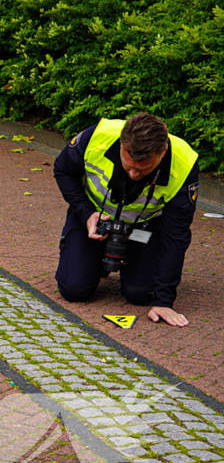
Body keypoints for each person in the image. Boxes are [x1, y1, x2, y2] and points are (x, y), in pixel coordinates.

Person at [53, 113, 199, 328]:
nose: (133, 173)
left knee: (140, 294)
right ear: (121, 145)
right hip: (94, 218)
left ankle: (128, 258)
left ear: (162, 153)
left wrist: (163, 300)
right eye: (127, 164)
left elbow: (176, 236)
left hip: (145, 227)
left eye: (143, 169)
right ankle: (95, 257)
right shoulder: (96, 137)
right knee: (74, 290)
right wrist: (86, 213)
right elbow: (63, 170)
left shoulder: (184, 164)